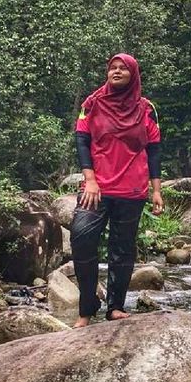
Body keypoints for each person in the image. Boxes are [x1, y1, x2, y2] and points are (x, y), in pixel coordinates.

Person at [71, 53, 163, 328]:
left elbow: (154, 150)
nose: (117, 71)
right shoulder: (92, 103)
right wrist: (89, 179)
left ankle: (115, 307)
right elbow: (81, 140)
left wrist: (156, 190)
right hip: (97, 186)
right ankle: (87, 307)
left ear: (133, 74)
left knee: (122, 248)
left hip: (132, 189)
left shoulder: (146, 109)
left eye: (124, 68)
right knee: (81, 237)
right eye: (113, 67)